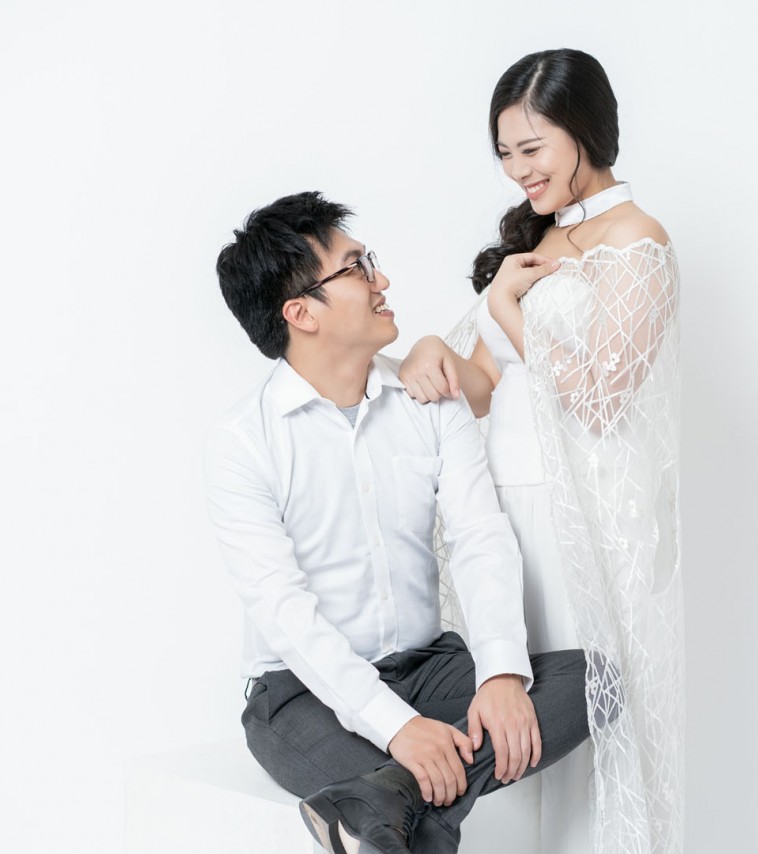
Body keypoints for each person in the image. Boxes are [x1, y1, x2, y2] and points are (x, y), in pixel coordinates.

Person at [206, 191, 593, 854]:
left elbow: (479, 537)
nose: (381, 280)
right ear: (301, 313)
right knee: (407, 823)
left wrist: (500, 673)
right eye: (356, 268)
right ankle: (396, 804)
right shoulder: (244, 442)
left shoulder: (428, 396)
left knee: (593, 682)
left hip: (429, 668)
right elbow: (284, 612)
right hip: (300, 694)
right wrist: (398, 728)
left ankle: (384, 798)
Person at [400, 49, 684, 854]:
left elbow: (601, 399)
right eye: (505, 153)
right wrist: (429, 347)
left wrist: (505, 308)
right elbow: (483, 386)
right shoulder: (545, 237)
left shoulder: (637, 239)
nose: (519, 170)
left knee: (588, 719)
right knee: (513, 712)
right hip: (505, 507)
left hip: (584, 519)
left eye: (533, 148)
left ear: (585, 130)